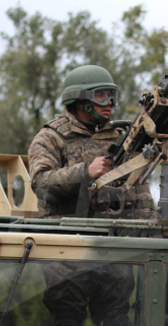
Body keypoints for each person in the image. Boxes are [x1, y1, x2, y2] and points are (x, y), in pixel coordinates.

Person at [27, 65, 156, 219]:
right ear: (79, 98)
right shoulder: (51, 137)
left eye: (111, 95)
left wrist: (150, 227)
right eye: (100, 95)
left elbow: (138, 188)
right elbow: (41, 185)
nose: (109, 102)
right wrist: (86, 172)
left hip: (114, 233)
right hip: (65, 234)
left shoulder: (120, 138)